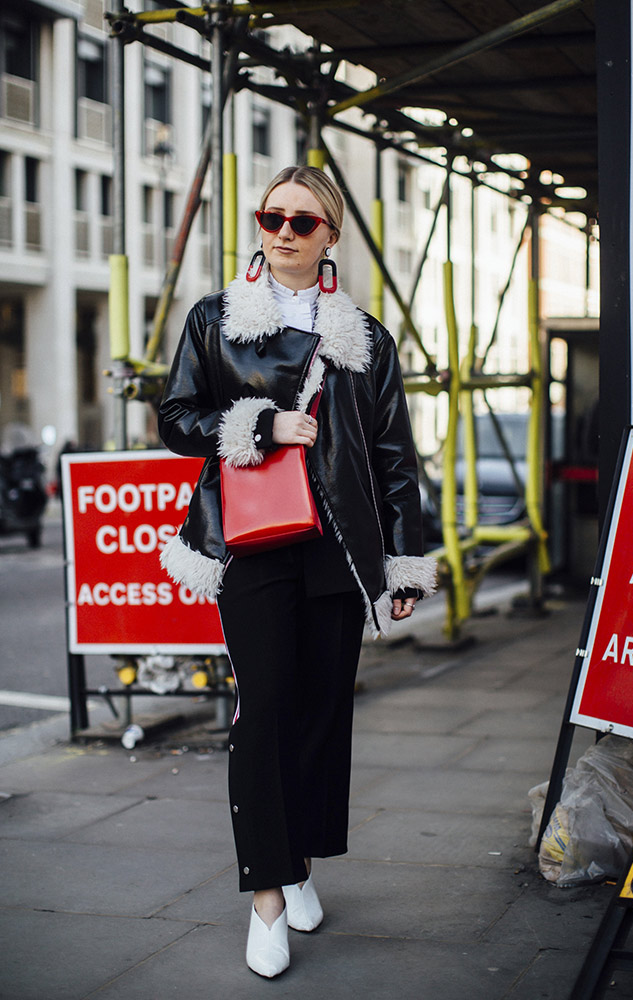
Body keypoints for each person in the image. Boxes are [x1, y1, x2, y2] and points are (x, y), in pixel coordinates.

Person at [158, 165, 437, 978]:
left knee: (321, 712)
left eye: (302, 221)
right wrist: (259, 422)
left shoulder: (365, 335)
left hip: (338, 545)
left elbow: (393, 457)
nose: (283, 231)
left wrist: (401, 563)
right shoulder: (216, 318)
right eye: (270, 216)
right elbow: (177, 419)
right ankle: (267, 898)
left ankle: (300, 863)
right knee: (266, 710)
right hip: (250, 539)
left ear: (329, 235)